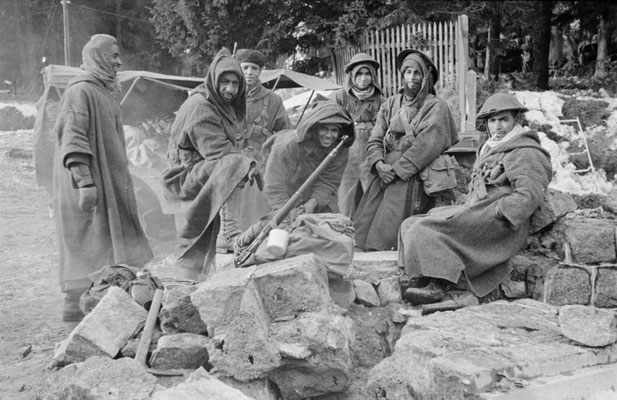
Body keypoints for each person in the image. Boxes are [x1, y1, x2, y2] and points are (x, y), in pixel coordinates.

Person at [399, 92, 552, 305]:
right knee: (409, 224)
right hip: (480, 208)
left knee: (425, 228)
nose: (498, 127)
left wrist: (502, 211)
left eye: (504, 120)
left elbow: (530, 193)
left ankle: (440, 285)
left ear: (516, 120)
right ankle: (418, 276)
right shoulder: (491, 147)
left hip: (501, 222)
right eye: (492, 121)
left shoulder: (524, 151)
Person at [52, 34, 153, 321]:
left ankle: (103, 298)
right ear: (98, 57)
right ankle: (74, 304)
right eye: (114, 56)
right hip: (87, 183)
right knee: (86, 240)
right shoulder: (79, 91)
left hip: (106, 182)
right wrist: (84, 181)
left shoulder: (104, 92)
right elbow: (72, 137)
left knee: (106, 241)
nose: (119, 61)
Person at [162, 48, 258, 279]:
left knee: (206, 231)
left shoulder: (216, 102)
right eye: (224, 82)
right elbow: (219, 153)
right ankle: (186, 279)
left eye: (235, 84)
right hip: (184, 178)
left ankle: (197, 277)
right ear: (214, 80)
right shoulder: (201, 107)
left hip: (201, 173)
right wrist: (251, 165)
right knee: (193, 235)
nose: (230, 89)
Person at [352, 49, 458, 251]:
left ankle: (383, 251)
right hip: (385, 171)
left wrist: (398, 170)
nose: (412, 77)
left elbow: (427, 144)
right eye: (407, 72)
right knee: (363, 221)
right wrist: (379, 164)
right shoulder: (390, 104)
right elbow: (376, 137)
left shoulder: (436, 106)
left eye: (417, 72)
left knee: (390, 222)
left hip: (413, 171)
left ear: (426, 76)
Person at [216, 49, 291, 253]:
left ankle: (261, 239)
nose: (249, 73)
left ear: (261, 71)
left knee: (262, 201)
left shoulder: (272, 99)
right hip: (234, 155)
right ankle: (232, 238)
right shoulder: (227, 95)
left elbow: (285, 131)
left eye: (254, 68)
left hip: (262, 158)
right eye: (245, 67)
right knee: (232, 197)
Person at [263, 101, 354, 215]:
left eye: (334, 130)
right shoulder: (288, 145)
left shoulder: (339, 147)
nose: (329, 135)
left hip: (313, 194)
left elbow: (330, 180)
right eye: (324, 129)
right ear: (314, 128)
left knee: (335, 225)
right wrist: (290, 212)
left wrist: (314, 201)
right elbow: (274, 186)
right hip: (277, 196)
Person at [329, 52, 384, 218]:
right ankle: (342, 228)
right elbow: (327, 121)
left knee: (373, 194)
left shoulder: (381, 99)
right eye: (359, 73)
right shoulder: (339, 97)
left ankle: (369, 235)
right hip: (346, 151)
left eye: (367, 73)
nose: (363, 78)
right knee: (345, 195)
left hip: (371, 149)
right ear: (352, 76)